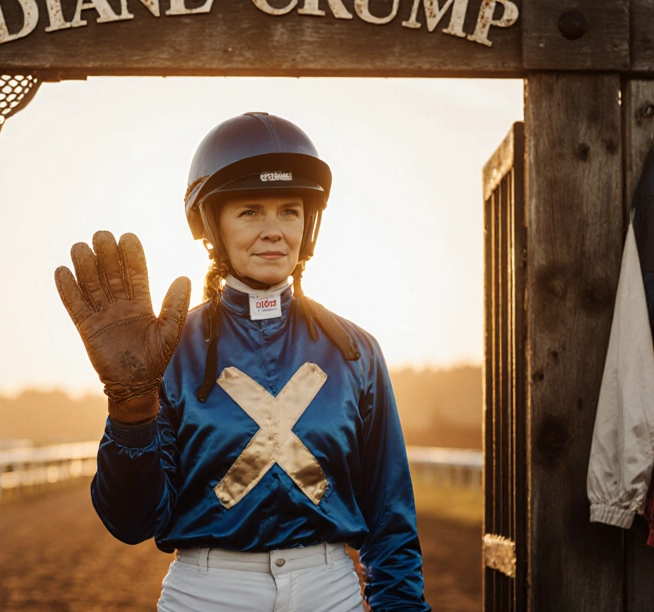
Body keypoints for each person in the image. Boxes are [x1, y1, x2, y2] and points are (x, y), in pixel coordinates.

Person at [55, 112, 430, 611]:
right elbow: (131, 522)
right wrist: (130, 408)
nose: (274, 231)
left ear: (308, 222)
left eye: (290, 211)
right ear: (212, 225)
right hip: (207, 593)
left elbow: (390, 517)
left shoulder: (356, 350)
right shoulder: (162, 351)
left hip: (330, 591)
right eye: (250, 211)